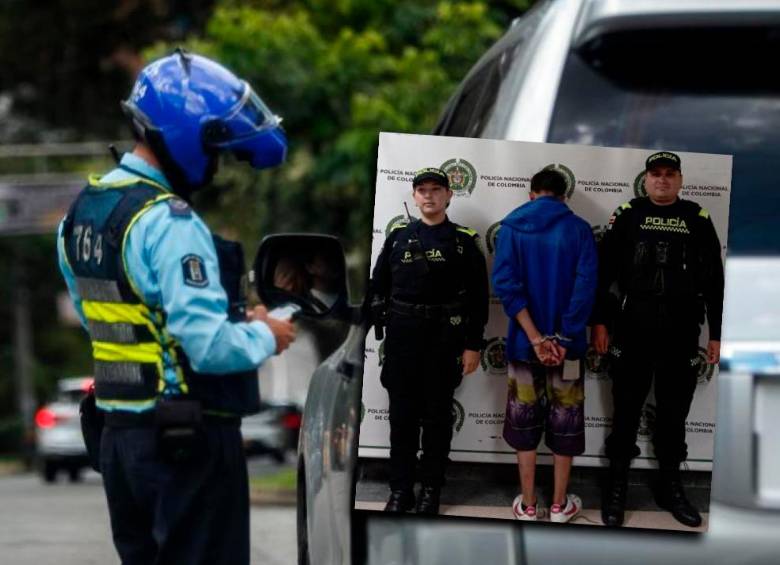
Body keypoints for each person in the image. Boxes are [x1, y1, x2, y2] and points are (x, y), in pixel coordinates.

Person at [56, 50, 296, 564]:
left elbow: (112, 319)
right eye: (216, 153)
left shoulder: (80, 215)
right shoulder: (169, 222)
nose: (214, 168)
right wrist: (265, 335)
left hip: (120, 442)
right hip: (185, 440)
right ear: (189, 139)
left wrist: (232, 321)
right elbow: (207, 348)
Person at [591, 151, 724, 528]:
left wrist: (716, 333)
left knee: (673, 414)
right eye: (656, 175)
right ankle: (616, 488)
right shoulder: (628, 214)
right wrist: (599, 323)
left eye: (670, 174)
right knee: (626, 411)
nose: (662, 180)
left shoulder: (697, 218)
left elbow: (714, 281)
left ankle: (670, 487)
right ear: (646, 180)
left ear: (680, 180)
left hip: (681, 331)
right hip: (633, 327)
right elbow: (604, 275)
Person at [369, 167, 489, 515]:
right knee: (401, 419)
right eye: (422, 190)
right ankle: (400, 490)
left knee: (437, 420)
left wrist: (472, 345)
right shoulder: (397, 238)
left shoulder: (464, 241)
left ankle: (430, 491)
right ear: (413, 196)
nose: (429, 195)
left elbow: (479, 300)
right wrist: (377, 310)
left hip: (443, 340)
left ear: (449, 195)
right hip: (403, 339)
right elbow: (378, 286)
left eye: (436, 189)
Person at [492, 168, 598, 523]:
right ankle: (558, 505)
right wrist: (563, 338)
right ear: (564, 196)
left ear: (532, 194)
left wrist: (536, 338)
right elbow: (585, 291)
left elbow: (506, 286)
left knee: (523, 421)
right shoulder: (580, 229)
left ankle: (527, 504)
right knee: (565, 420)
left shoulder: (510, 228)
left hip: (525, 345)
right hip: (569, 349)